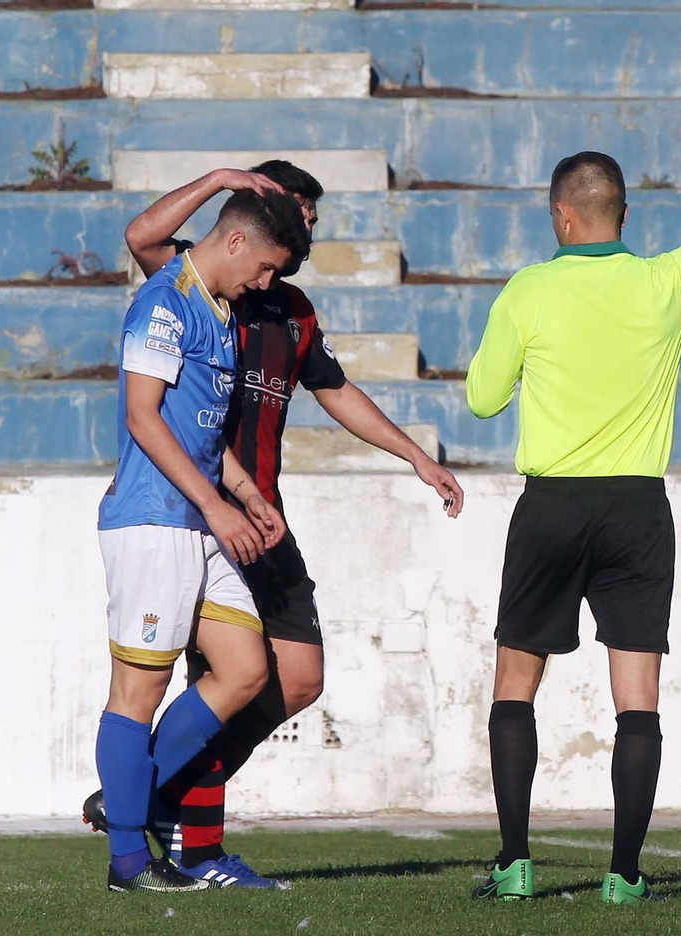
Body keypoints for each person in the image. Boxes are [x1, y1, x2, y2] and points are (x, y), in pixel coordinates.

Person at [83, 161, 464, 889]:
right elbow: (148, 404)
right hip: (171, 515)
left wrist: (413, 456)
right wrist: (217, 176)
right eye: (291, 220)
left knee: (276, 675)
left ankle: (140, 797)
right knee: (152, 683)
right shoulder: (187, 293)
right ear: (244, 227)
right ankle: (163, 850)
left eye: (310, 222)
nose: (303, 235)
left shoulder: (272, 306)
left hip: (242, 515)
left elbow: (316, 397)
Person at [465, 69, 681, 904]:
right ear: (623, 216)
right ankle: (623, 874)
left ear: (561, 216)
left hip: (552, 504)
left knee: (516, 680)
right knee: (636, 695)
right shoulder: (667, 280)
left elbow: (480, 397)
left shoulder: (530, 288)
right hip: (638, 508)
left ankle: (514, 862)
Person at [95, 188, 309, 891]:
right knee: (139, 689)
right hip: (156, 522)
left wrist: (246, 498)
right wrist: (218, 509)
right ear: (238, 242)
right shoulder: (165, 302)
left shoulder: (219, 318)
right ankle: (129, 861)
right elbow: (144, 417)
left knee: (246, 669)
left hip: (202, 519)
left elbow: (206, 435)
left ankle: (137, 802)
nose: (268, 284)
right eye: (269, 268)